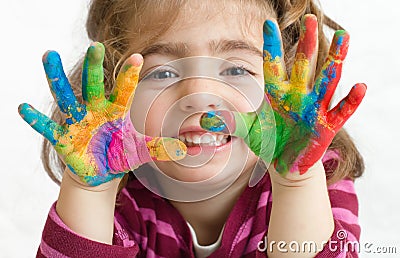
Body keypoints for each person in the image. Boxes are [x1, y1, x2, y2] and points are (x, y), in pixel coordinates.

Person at [18, 0, 367, 257]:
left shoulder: (322, 180)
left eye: (236, 70)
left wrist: (296, 184)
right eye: (163, 73)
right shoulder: (122, 202)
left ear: (291, 78)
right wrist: (90, 192)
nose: (200, 97)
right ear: (114, 90)